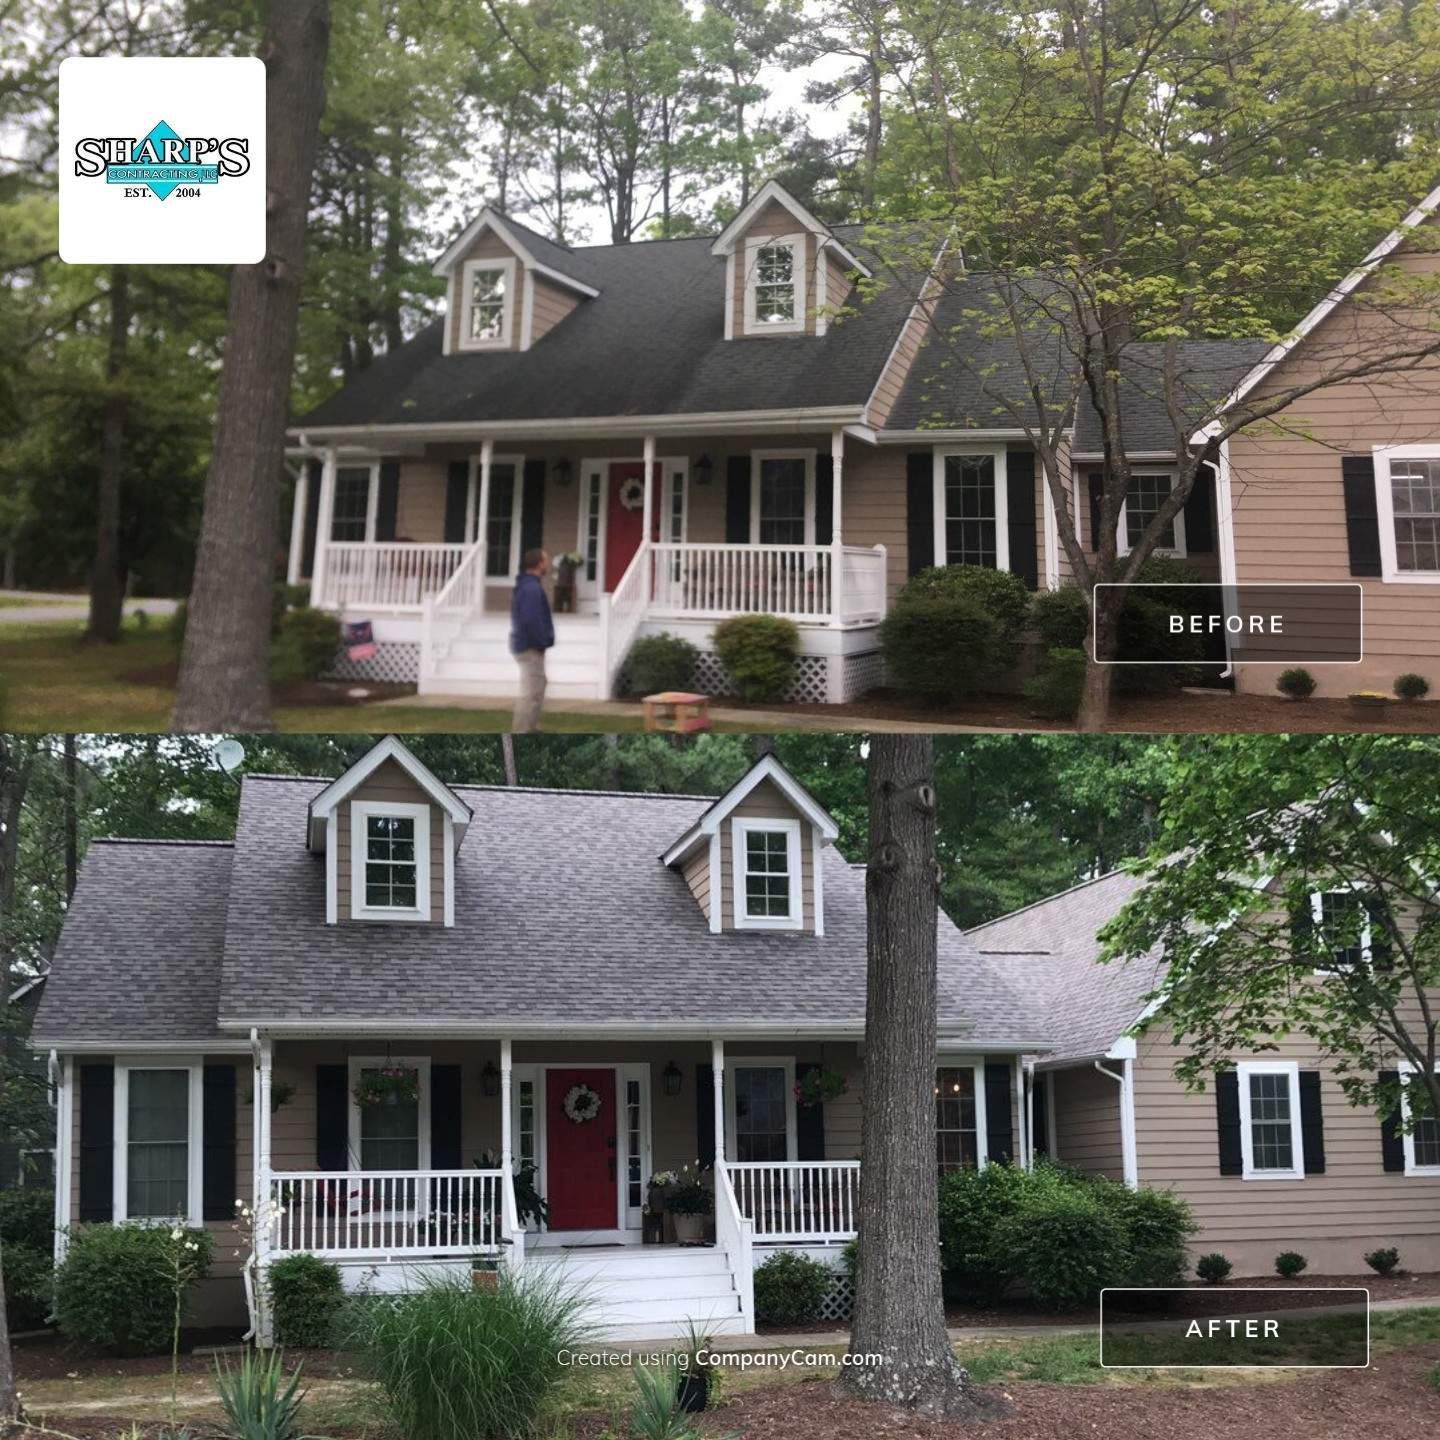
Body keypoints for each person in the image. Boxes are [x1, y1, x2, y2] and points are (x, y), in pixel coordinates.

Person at [510, 547, 555, 731]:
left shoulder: (529, 585)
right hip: (530, 647)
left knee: (537, 688)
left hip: (529, 646)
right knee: (530, 694)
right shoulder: (531, 588)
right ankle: (522, 730)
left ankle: (532, 727)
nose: (549, 563)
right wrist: (542, 641)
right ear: (539, 564)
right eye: (546, 560)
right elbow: (530, 620)